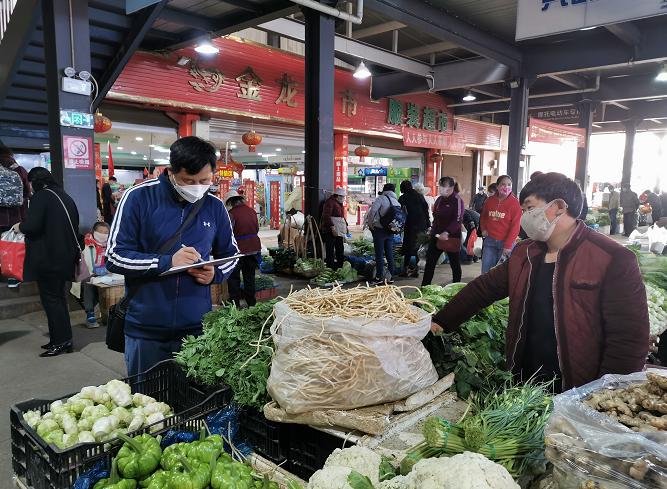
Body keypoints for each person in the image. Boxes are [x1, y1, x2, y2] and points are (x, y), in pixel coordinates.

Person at [430, 172, 649, 392]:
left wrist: (604, 397)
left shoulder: (612, 258)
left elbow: (629, 339)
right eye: (523, 211)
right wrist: (441, 321)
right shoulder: (525, 253)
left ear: (560, 207)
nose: (525, 217)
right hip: (526, 383)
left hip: (579, 390)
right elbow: (483, 289)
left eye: (530, 208)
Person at [106, 136, 240, 376]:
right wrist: (166, 262)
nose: (197, 187)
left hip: (197, 330)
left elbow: (231, 254)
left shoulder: (214, 206)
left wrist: (215, 273)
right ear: (170, 172)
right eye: (188, 180)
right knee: (147, 401)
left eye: (204, 180)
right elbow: (115, 256)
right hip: (146, 329)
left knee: (193, 402)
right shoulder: (138, 198)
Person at [13, 168, 80, 357]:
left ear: (36, 182)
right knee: (58, 299)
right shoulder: (64, 197)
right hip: (65, 258)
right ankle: (61, 339)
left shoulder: (42, 197)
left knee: (52, 301)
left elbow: (32, 226)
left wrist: (19, 227)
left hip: (49, 259)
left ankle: (60, 342)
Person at [421, 176, 465, 286]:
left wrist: (447, 232)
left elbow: (458, 219)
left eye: (442, 188)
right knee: (430, 264)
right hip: (436, 236)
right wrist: (432, 231)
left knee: (454, 264)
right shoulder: (439, 200)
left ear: (450, 188)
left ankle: (456, 288)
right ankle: (424, 288)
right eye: (439, 187)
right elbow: (436, 217)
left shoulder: (457, 200)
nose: (440, 190)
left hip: (452, 237)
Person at [71, 222, 110, 328]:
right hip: (88, 274)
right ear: (94, 232)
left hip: (108, 275)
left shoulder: (111, 246)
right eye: (100, 232)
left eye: (106, 232)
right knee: (89, 282)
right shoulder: (85, 244)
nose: (103, 235)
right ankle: (90, 314)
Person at [225, 190, 261, 308]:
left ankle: (235, 305)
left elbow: (228, 233)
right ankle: (251, 303)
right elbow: (256, 229)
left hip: (238, 250)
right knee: (249, 277)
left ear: (231, 202)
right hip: (253, 248)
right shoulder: (252, 211)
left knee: (234, 278)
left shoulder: (231, 214)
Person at [0, 144, 29, 288]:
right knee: (12, 246)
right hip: (14, 216)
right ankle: (12, 277)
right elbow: (26, 194)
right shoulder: (18, 169)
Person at [480, 175, 522, 273]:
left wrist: (508, 245)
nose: (506, 187)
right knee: (486, 271)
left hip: (506, 243)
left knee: (502, 273)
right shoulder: (489, 201)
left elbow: (515, 226)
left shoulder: (515, 203)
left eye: (509, 185)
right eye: (503, 184)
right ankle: (485, 288)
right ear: (497, 186)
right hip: (490, 241)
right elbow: (484, 216)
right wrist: (483, 229)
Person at [364, 182, 400, 284]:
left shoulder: (381, 198)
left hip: (380, 230)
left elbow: (372, 212)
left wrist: (370, 225)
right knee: (389, 254)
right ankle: (391, 277)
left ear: (384, 190)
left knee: (379, 254)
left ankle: (379, 278)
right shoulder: (396, 201)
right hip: (390, 231)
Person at [398, 180, 430, 277]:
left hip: (410, 225)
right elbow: (426, 209)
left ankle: (406, 269)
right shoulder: (420, 196)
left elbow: (398, 212)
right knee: (418, 248)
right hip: (421, 225)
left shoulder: (403, 198)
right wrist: (428, 223)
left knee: (408, 247)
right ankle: (416, 270)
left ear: (403, 188)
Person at [320, 188, 347, 270]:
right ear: (338, 196)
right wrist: (332, 228)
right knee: (330, 249)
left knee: (339, 248)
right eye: (342, 196)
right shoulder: (330, 202)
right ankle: (330, 267)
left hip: (338, 229)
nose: (343, 198)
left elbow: (341, 216)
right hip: (330, 230)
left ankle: (339, 265)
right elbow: (326, 216)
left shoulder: (339, 203)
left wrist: (346, 226)